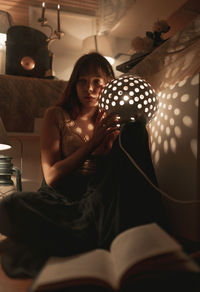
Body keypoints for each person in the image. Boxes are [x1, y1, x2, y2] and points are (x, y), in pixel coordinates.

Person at [0, 52, 167, 278]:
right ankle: (95, 235)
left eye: (97, 82)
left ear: (109, 85)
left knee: (135, 132)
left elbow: (124, 176)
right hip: (59, 199)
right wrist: (92, 144)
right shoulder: (56, 115)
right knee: (13, 204)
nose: (90, 89)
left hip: (95, 201)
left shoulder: (116, 121)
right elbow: (51, 177)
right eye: (82, 81)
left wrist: (118, 139)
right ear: (74, 84)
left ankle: (86, 234)